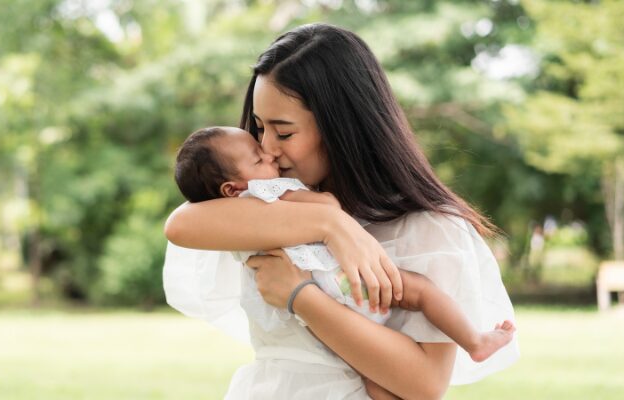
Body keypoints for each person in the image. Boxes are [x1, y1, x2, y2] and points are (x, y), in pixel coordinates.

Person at [164, 23, 519, 399]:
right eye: (258, 127)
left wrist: (300, 295)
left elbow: (424, 385)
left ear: (341, 128)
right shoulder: (270, 208)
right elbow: (181, 225)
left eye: (283, 132)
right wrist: (331, 223)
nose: (267, 147)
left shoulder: (428, 229)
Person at [171, 125, 515, 363]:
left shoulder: (230, 222)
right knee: (421, 291)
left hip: (323, 299)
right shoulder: (266, 191)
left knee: (361, 368)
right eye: (258, 158)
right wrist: (325, 210)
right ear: (232, 189)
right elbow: (328, 208)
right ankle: (474, 340)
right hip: (344, 282)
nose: (270, 155)